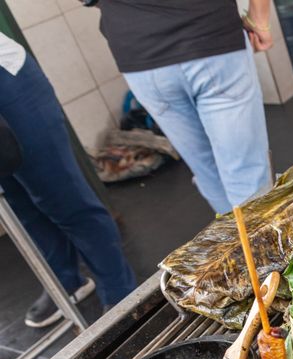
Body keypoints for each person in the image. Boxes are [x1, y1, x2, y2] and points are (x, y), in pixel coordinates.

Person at [0, 32, 136, 328]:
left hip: (7, 80)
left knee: (61, 194)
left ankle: (119, 289)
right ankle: (65, 279)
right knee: (17, 202)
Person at [94, 0, 275, 215]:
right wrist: (260, 20)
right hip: (209, 37)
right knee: (245, 171)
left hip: (141, 58)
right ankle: (263, 247)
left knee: (207, 170)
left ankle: (238, 243)